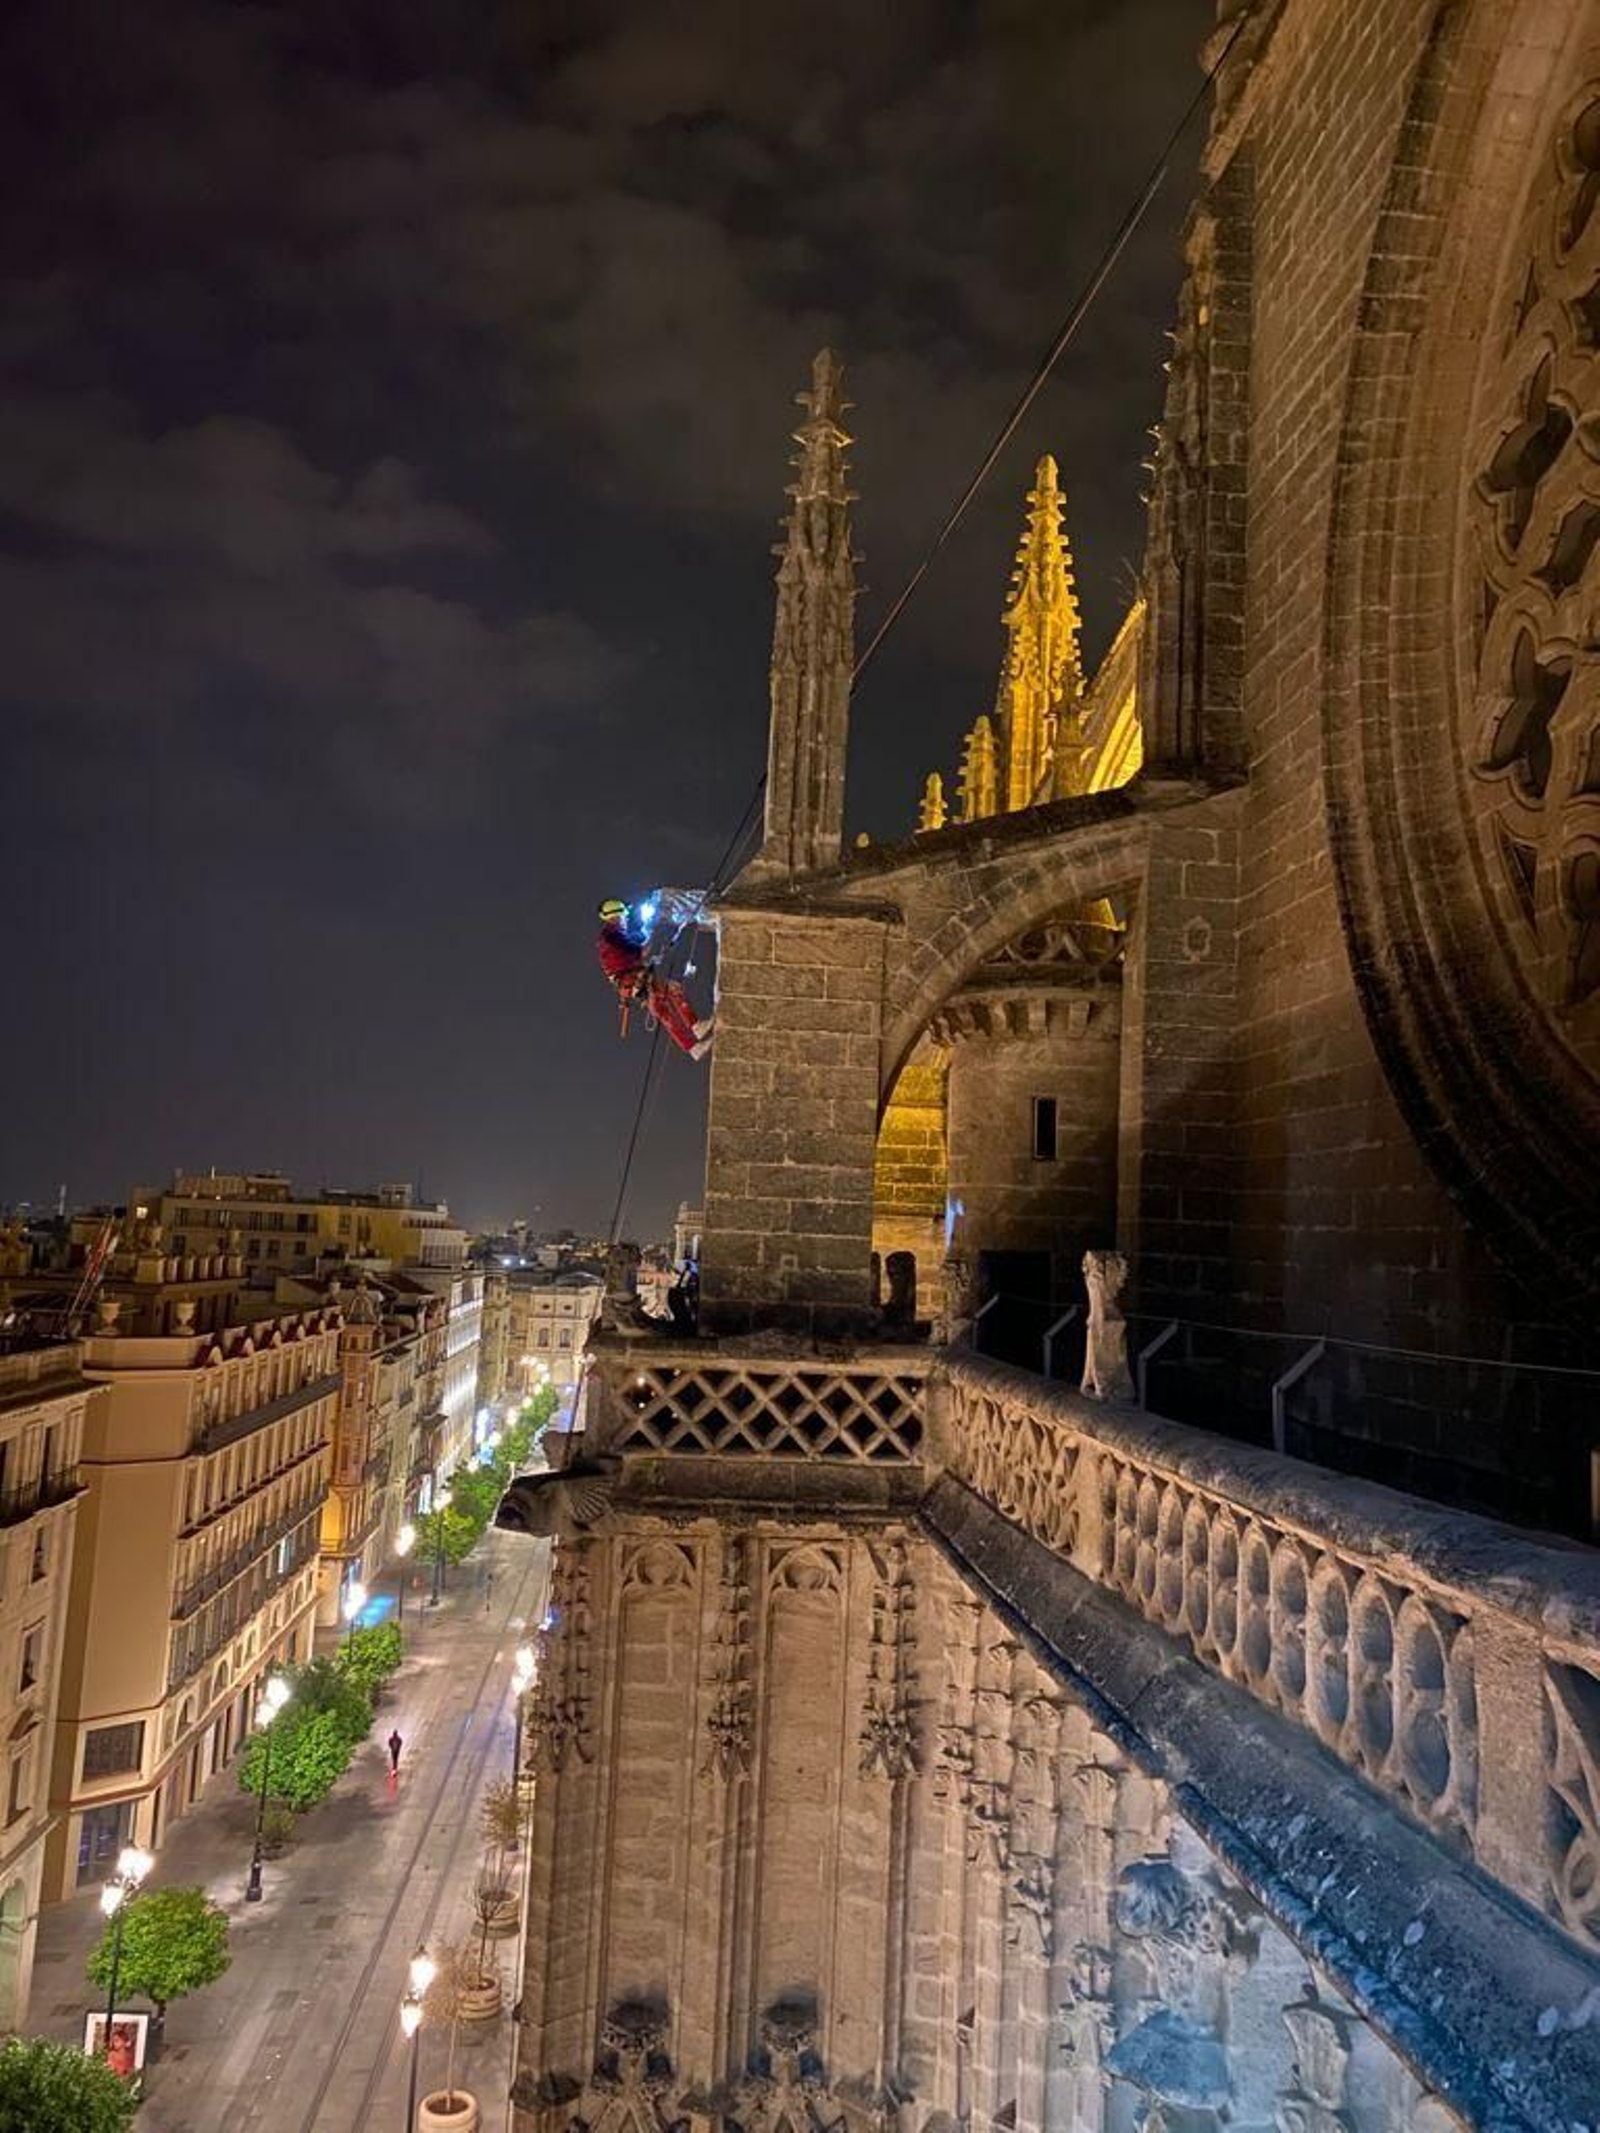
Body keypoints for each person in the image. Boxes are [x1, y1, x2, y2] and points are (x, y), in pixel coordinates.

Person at [596, 897, 713, 1059]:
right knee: (669, 992)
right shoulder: (613, 936)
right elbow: (642, 951)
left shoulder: (613, 936)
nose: (625, 919)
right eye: (623, 916)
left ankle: (694, 1041)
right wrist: (651, 929)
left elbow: (635, 947)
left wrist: (646, 931)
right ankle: (695, 1032)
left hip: (631, 981)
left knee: (663, 1005)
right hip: (632, 979)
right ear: (616, 917)